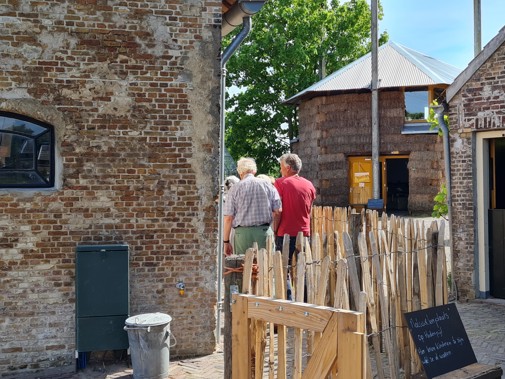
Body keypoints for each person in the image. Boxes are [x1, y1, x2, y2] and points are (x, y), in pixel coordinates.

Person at [223, 158, 281, 256]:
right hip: (264, 232)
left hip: (242, 234)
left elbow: (228, 218)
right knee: (266, 267)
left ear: (240, 172)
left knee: (244, 267)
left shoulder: (234, 189)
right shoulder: (268, 185)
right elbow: (278, 210)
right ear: (254, 171)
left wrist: (226, 242)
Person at [274, 153, 316, 265]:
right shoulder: (309, 185)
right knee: (304, 269)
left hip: (285, 232)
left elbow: (278, 211)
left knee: (283, 269)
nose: (280, 169)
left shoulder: (280, 183)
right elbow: (309, 209)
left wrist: (274, 230)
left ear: (287, 168)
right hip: (304, 232)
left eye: (281, 166)